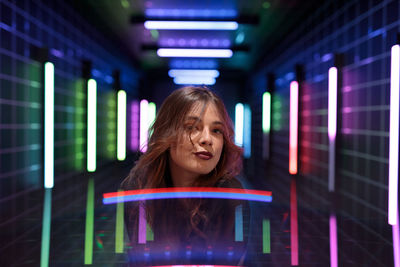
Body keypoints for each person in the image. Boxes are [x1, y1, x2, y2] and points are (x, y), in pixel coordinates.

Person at [121, 86, 249, 266]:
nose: (207, 139)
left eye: (216, 130)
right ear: (167, 134)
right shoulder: (140, 188)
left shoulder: (230, 194)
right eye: (192, 127)